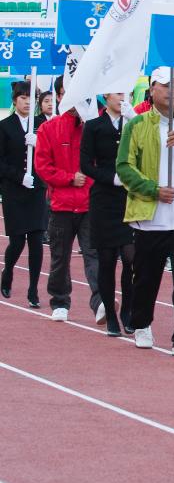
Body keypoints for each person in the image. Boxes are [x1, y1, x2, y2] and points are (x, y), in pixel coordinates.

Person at [116, 68, 174, 356]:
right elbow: (124, 167)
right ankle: (141, 324)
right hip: (150, 220)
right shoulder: (137, 125)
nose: (173, 92)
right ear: (152, 90)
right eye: (166, 86)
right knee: (146, 279)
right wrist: (153, 190)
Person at [34, 95, 101, 324]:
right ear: (62, 96)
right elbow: (43, 167)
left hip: (89, 205)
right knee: (60, 256)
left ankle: (100, 301)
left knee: (93, 254)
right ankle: (60, 301)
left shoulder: (93, 127)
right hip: (61, 204)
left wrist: (88, 182)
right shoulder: (48, 128)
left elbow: (102, 164)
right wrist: (70, 179)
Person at [81, 93, 135, 336]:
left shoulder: (133, 123)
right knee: (107, 259)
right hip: (104, 198)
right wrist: (109, 177)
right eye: (119, 93)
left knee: (131, 257)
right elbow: (85, 164)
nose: (123, 97)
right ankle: (111, 316)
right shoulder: (94, 126)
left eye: (127, 93)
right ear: (106, 96)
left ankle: (128, 310)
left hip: (129, 197)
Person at [0, 81, 47, 308]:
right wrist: (19, 176)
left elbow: (50, 156)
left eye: (31, 98)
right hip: (15, 190)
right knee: (18, 241)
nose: (27, 102)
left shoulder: (41, 125)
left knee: (37, 241)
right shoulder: (5, 126)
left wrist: (40, 145)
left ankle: (33, 289)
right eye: (23, 98)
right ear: (15, 100)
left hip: (37, 189)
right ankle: (8, 271)